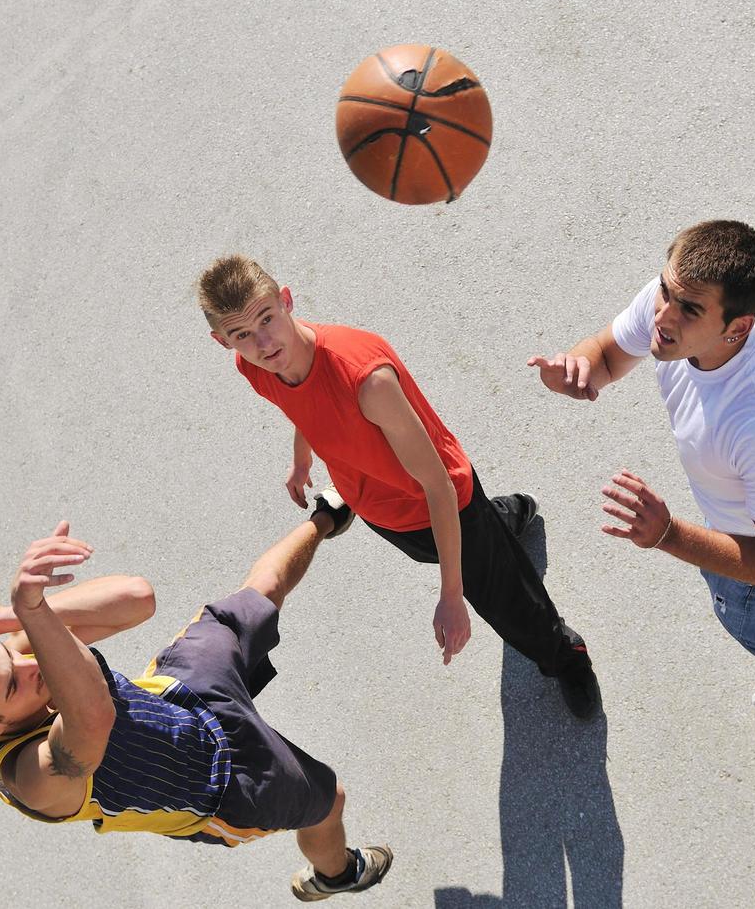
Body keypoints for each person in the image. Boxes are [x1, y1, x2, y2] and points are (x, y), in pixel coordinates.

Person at [0, 495, 394, 903]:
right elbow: (93, 717)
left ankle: (330, 512)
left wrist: (13, 620)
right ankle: (336, 875)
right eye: (14, 683)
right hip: (222, 786)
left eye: (9, 655)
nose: (29, 663)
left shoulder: (18, 659)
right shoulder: (31, 778)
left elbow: (136, 599)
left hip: (182, 694)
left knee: (261, 592)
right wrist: (30, 615)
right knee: (329, 800)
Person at [196, 254, 600, 718]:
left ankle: (565, 656)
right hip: (381, 509)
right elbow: (300, 403)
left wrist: (452, 596)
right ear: (221, 340)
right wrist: (301, 458)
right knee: (444, 550)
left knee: (508, 604)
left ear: (286, 300)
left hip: (444, 502)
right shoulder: (256, 367)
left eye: (267, 319)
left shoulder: (366, 380)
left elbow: (439, 487)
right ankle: (505, 519)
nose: (263, 343)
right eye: (242, 335)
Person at [528, 220, 755, 724]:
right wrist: (576, 370)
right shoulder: (675, 302)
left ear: (738, 327)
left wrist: (668, 533)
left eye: (688, 309)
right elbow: (605, 353)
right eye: (664, 291)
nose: (661, 316)